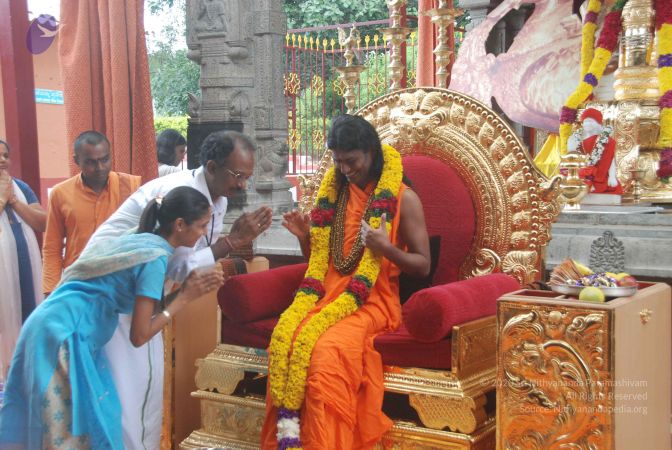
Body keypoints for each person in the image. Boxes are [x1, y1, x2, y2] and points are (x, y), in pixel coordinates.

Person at [0, 186, 224, 449]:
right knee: (69, 431)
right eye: (201, 226)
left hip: (54, 324)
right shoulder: (154, 258)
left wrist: (187, 292)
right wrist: (184, 297)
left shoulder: (141, 241)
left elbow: (149, 310)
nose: (204, 233)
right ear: (179, 224)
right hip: (63, 334)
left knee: (94, 419)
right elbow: (139, 335)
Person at [88, 129, 273, 450]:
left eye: (247, 177)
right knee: (125, 393)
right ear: (212, 167)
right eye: (238, 175)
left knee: (146, 384)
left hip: (143, 294)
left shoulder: (217, 198)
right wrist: (231, 242)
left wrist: (228, 245)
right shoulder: (182, 193)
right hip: (111, 294)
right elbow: (179, 266)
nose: (243, 185)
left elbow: (185, 263)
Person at [262, 115, 430, 449]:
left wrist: (386, 248)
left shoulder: (403, 198)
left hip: (372, 303)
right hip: (324, 298)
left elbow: (423, 266)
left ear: (371, 152)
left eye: (351, 161)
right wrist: (305, 237)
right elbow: (324, 262)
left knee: (325, 353)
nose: (345, 169)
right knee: (286, 339)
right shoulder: (335, 194)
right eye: (338, 162)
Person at [42, 131, 142, 294]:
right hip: (78, 282)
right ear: (77, 161)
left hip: (121, 281)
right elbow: (52, 247)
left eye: (104, 159)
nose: (100, 167)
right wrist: (50, 291)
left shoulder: (131, 186)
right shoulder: (60, 193)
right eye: (91, 162)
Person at [0, 139, 46, 381]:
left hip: (25, 266)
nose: (2, 160)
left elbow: (42, 222)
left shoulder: (21, 188)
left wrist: (15, 201)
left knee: (28, 314)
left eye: (5, 155)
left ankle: (25, 372)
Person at [568, 107, 623, 194]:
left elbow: (611, 160)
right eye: (585, 121)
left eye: (590, 121)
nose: (587, 124)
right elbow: (571, 158)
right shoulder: (576, 139)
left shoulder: (607, 140)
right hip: (580, 174)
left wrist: (612, 176)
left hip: (600, 177)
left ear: (598, 123)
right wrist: (572, 147)